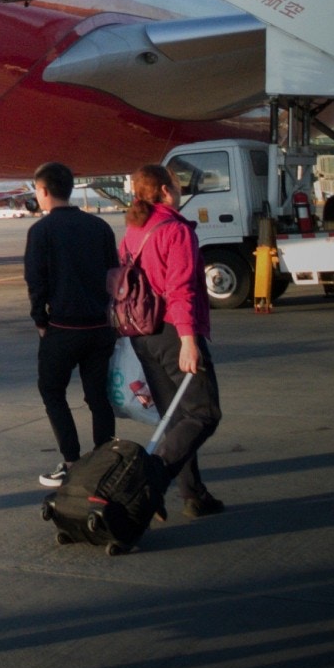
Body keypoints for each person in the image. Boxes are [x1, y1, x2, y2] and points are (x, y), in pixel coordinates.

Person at [122, 163, 226, 517]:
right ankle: (151, 481)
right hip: (171, 331)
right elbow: (180, 290)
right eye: (177, 185)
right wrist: (189, 340)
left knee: (176, 417)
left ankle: (194, 495)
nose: (180, 191)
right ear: (165, 190)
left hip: (143, 334)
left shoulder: (134, 228)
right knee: (204, 413)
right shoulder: (175, 229)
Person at [23, 161, 119, 487]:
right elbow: (114, 276)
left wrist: (40, 320)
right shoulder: (100, 227)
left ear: (45, 191)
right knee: (97, 396)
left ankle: (72, 461)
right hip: (100, 327)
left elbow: (36, 281)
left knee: (52, 390)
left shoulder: (41, 231)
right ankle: (105, 461)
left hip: (63, 328)